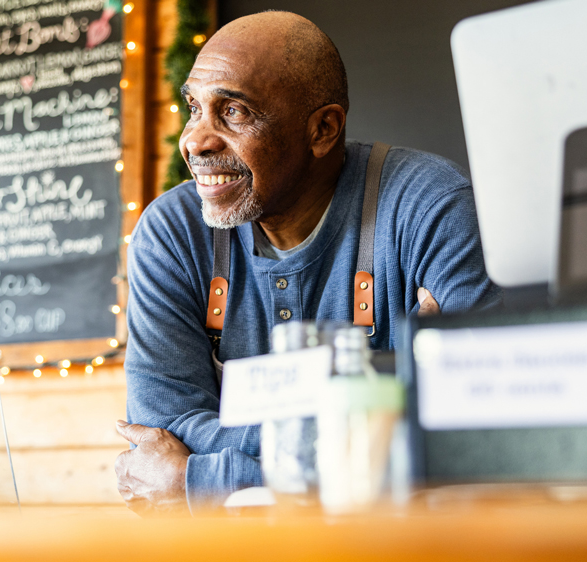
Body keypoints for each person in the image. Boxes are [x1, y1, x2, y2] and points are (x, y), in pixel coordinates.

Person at [114, 11, 500, 516]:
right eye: (194, 108)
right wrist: (377, 422)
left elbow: (474, 436)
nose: (195, 141)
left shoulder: (429, 205)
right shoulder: (173, 233)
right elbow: (159, 430)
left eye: (233, 112)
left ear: (322, 129)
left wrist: (205, 476)